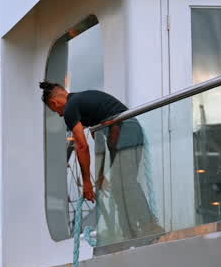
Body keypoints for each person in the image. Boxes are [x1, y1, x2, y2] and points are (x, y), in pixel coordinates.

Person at [39, 82, 161, 240]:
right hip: (130, 130)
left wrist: (87, 184)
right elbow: (100, 143)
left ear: (54, 103)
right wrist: (101, 175)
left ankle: (149, 226)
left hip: (124, 131)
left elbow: (82, 146)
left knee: (125, 181)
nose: (60, 115)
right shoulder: (85, 102)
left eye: (55, 111)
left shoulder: (70, 109)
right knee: (119, 184)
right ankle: (130, 231)